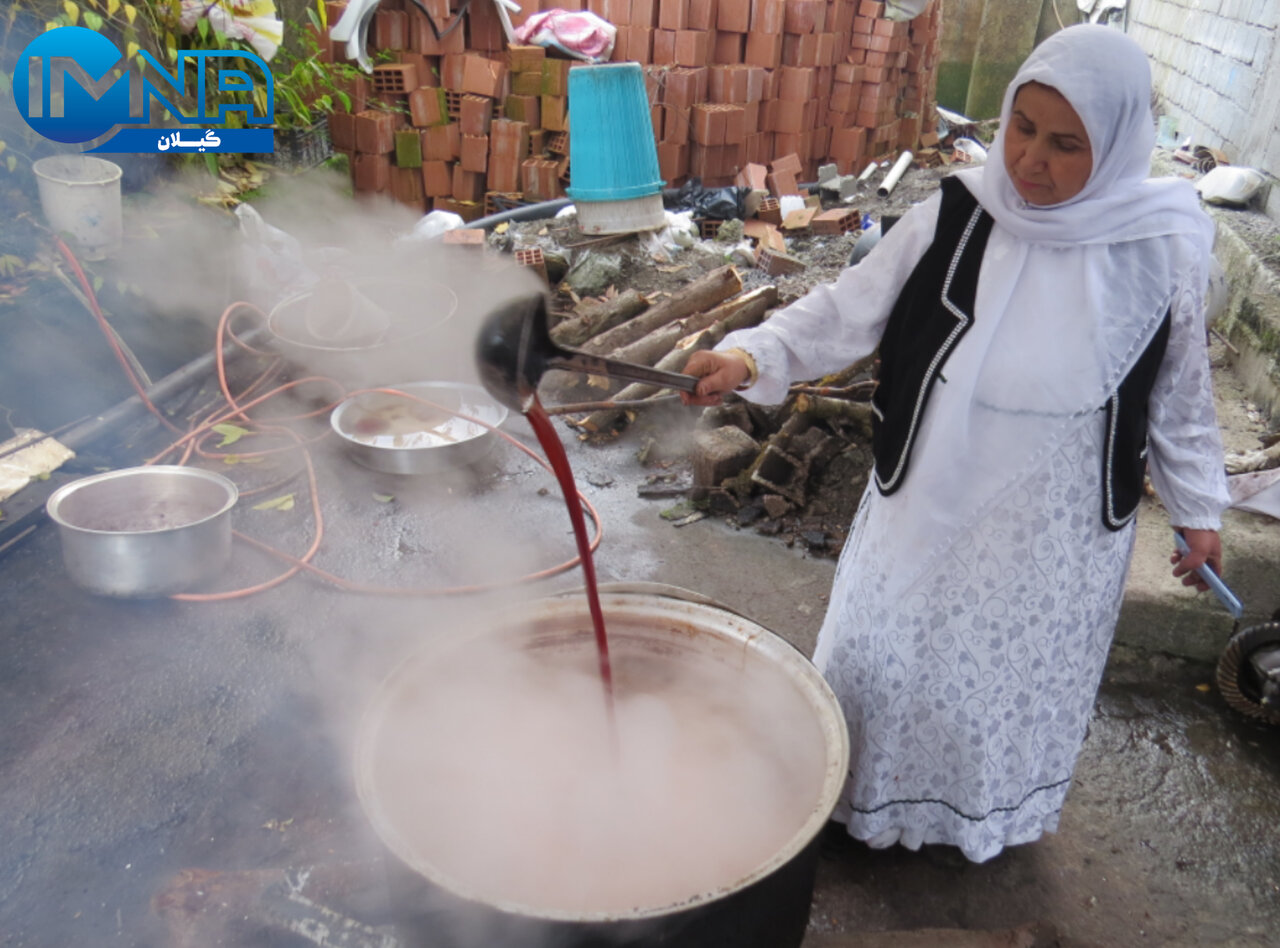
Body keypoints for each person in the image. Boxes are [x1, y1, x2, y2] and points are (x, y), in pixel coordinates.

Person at [681, 24, 1231, 863]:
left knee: (1008, 682)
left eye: (1066, 144)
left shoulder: (1162, 246)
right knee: (890, 646)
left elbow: (1181, 399)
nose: (1032, 160)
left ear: (1117, 146)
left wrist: (1199, 511)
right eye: (1023, 128)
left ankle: (984, 814)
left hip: (1056, 526)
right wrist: (752, 354)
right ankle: (856, 795)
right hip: (934, 482)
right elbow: (845, 308)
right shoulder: (958, 213)